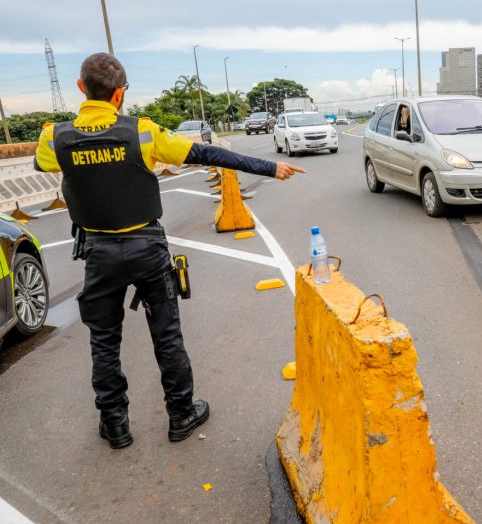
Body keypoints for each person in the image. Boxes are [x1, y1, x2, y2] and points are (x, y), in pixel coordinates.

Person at [34, 52, 305, 449]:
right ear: (120, 93)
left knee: (104, 340)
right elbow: (207, 154)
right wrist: (268, 168)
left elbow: (48, 167)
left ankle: (116, 425)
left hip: (99, 254)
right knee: (167, 334)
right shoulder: (142, 132)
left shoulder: (54, 137)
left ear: (80, 88)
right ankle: (180, 415)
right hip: (147, 248)